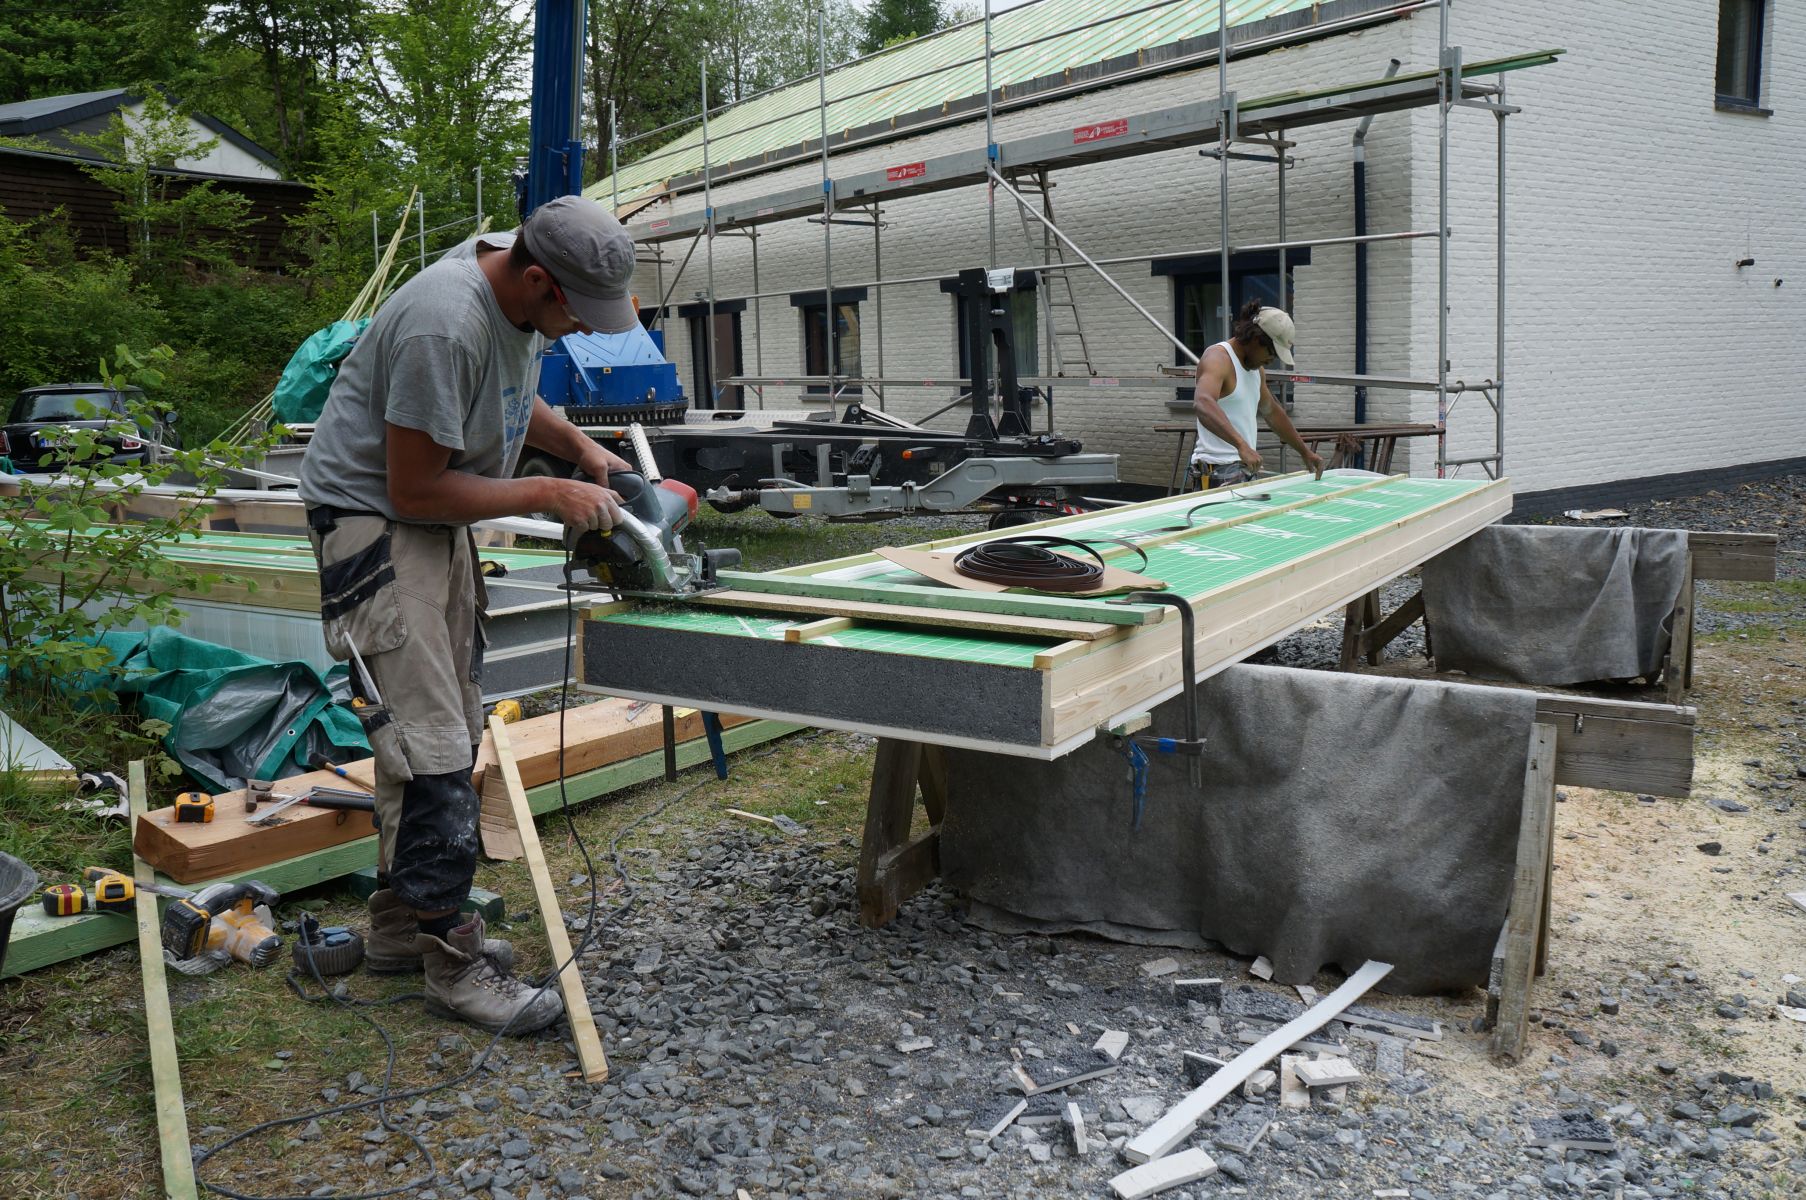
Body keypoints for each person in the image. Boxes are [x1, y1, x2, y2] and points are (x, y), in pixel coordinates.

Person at [299, 195, 637, 1034]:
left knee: (439, 723)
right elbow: (417, 486)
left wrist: (580, 449)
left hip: (424, 521)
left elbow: (510, 395)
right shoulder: (442, 323)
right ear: (537, 278)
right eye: (576, 313)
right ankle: (452, 969)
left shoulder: (505, 286)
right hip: (379, 522)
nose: (579, 330)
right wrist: (546, 491)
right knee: (435, 746)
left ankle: (396, 930)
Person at [1188, 300, 1323, 490]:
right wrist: (1241, 445)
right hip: (1216, 471)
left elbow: (1272, 412)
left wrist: (1304, 452)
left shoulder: (1256, 370)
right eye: (1271, 353)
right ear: (1256, 338)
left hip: (1244, 468)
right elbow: (1203, 403)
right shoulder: (1218, 358)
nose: (1271, 360)